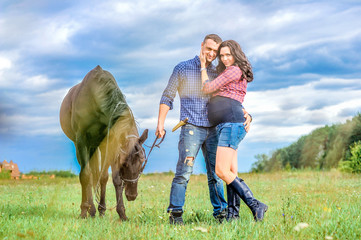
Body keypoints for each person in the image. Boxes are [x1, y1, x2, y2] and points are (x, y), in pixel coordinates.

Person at [156, 34, 252, 225]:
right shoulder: (182, 68)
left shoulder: (219, 71)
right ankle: (176, 214)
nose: (211, 54)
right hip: (191, 126)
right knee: (184, 172)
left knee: (216, 175)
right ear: (202, 46)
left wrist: (247, 113)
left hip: (215, 128)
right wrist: (160, 123)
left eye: (215, 52)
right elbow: (167, 96)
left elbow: (229, 98)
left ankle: (221, 214)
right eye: (209, 49)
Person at [200, 40, 268, 222]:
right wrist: (248, 114)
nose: (225, 58)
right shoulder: (231, 72)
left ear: (236, 54)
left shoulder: (234, 69)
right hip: (227, 123)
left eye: (228, 54)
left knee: (221, 170)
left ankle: (255, 204)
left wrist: (202, 67)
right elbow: (234, 98)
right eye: (222, 55)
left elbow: (207, 88)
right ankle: (233, 215)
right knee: (231, 172)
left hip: (230, 124)